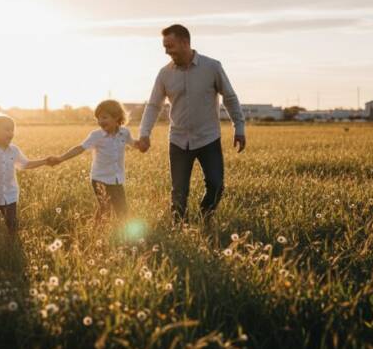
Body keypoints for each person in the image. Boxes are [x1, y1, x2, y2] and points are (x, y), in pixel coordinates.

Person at [137, 24, 246, 223]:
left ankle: (206, 215)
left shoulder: (212, 67)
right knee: (179, 191)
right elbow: (154, 105)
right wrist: (144, 133)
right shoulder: (164, 74)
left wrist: (239, 127)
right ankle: (179, 227)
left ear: (185, 42)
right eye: (164, 47)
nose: (167, 52)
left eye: (170, 46)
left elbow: (229, 97)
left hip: (208, 138)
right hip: (178, 140)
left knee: (216, 184)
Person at [49, 100, 138, 223]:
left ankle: (122, 233)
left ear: (117, 117)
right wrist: (61, 158)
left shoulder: (124, 133)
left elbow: (134, 143)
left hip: (117, 178)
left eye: (104, 117)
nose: (100, 121)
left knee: (122, 210)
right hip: (99, 178)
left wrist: (141, 144)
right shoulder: (96, 135)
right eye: (98, 118)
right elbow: (80, 148)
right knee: (105, 208)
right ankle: (97, 230)